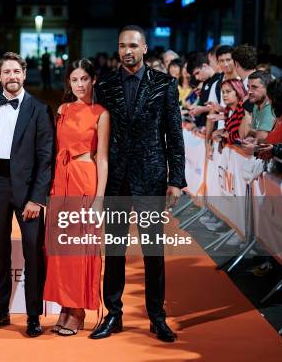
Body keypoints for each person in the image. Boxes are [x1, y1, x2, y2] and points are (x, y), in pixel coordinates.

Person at [90, 25, 185, 343]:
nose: (126, 50)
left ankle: (157, 317)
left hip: (152, 177)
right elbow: (98, 136)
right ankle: (113, 315)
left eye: (133, 45)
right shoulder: (104, 85)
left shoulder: (165, 84)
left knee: (153, 251)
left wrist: (176, 179)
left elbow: (174, 134)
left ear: (145, 48)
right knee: (114, 250)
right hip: (116, 179)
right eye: (121, 45)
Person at [0, 52, 54, 337]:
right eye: (6, 72)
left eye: (16, 71)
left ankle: (33, 316)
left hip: (28, 190)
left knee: (33, 252)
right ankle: (0, 312)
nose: (12, 76)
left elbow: (45, 156)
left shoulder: (39, 109)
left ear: (24, 74)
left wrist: (37, 198)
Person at [43, 58, 109, 336]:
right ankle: (65, 307)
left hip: (85, 179)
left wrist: (99, 199)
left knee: (80, 249)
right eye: (74, 79)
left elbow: (103, 159)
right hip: (62, 179)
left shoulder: (101, 113)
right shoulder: (63, 109)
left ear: (93, 80)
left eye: (84, 79)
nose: (79, 84)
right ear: (68, 82)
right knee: (61, 249)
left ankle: (78, 310)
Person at [211, 79, 247, 147]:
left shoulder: (242, 107)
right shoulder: (229, 110)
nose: (224, 95)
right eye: (223, 92)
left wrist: (224, 138)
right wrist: (222, 132)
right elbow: (231, 132)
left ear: (238, 91)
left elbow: (241, 136)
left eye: (228, 91)